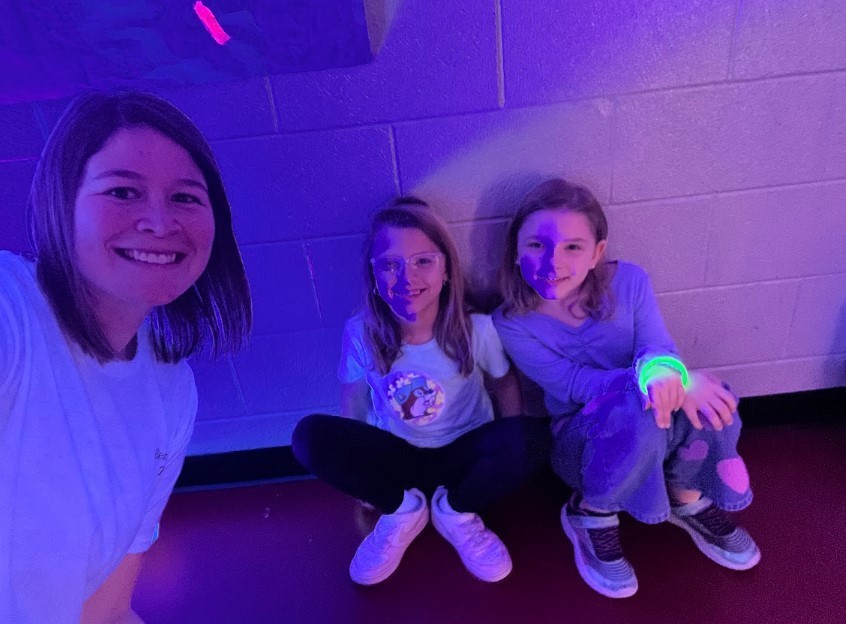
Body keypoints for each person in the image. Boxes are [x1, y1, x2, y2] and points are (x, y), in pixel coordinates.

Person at [0, 91, 252, 623]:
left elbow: (107, 609)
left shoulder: (173, 392)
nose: (159, 222)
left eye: (185, 198)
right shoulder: (13, 313)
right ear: (60, 201)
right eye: (122, 191)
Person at [493, 178, 759, 599]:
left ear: (597, 252)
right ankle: (590, 511)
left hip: (651, 411)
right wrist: (659, 382)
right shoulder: (512, 321)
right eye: (536, 246)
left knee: (711, 396)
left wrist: (677, 377)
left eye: (572, 247)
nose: (552, 263)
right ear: (516, 249)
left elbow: (658, 345)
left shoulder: (630, 282)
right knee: (644, 411)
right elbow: (573, 384)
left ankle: (684, 491)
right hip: (581, 442)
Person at [292, 197, 550, 585]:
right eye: (390, 265)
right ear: (374, 275)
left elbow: (504, 384)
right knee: (308, 436)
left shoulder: (475, 329)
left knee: (535, 436)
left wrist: (506, 456)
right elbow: (354, 399)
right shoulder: (360, 333)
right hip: (399, 461)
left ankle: (455, 512)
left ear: (446, 269)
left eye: (422, 261)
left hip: (463, 456)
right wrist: (359, 473)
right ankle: (402, 511)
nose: (406, 278)